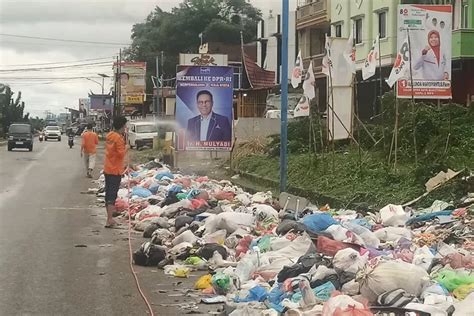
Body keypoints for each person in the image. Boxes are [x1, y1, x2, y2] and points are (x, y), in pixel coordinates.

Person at [103, 116, 127, 228]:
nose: (125, 128)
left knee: (108, 194)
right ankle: (109, 219)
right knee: (112, 195)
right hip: (115, 170)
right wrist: (127, 147)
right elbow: (121, 154)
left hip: (108, 168)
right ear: (122, 126)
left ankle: (109, 218)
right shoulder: (118, 138)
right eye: (125, 126)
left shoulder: (109, 136)